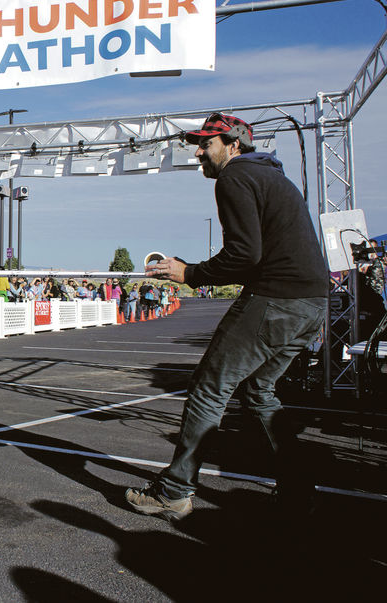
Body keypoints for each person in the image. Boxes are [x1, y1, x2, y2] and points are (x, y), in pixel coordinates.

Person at [125, 113, 328, 520]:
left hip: (276, 300)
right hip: (311, 302)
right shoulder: (272, 177)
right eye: (197, 144)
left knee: (207, 388)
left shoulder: (235, 177)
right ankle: (299, 488)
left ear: (234, 144)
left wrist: (191, 274)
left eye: (207, 143)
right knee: (259, 393)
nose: (198, 152)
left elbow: (244, 255)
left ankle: (174, 490)